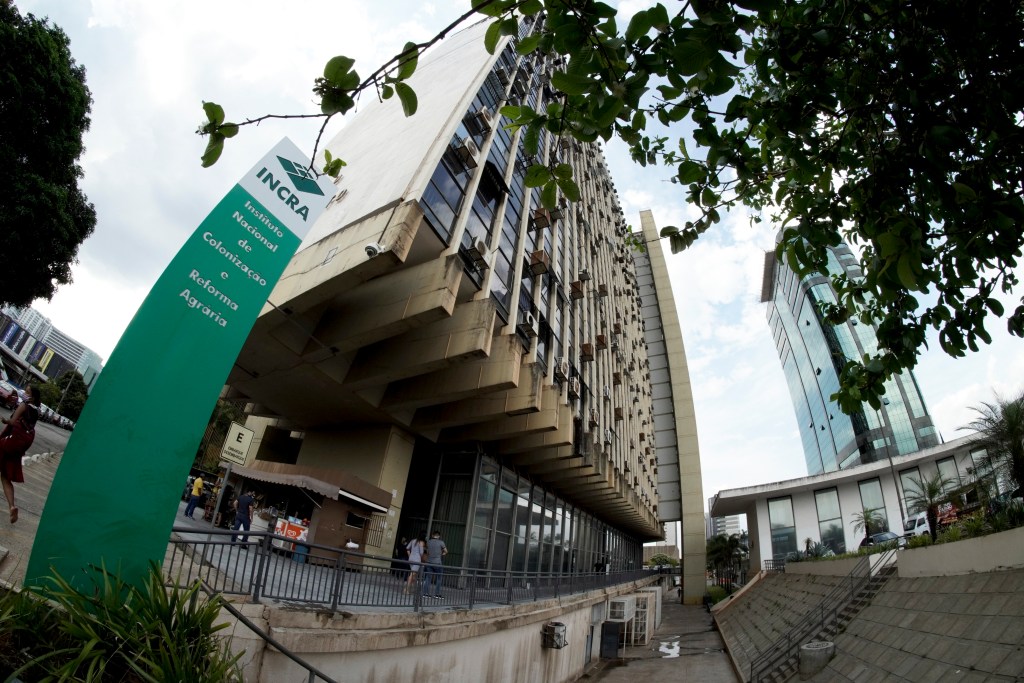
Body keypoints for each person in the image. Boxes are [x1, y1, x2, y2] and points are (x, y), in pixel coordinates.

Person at [0, 385, 40, 524]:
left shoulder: (24, 405)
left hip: (11, 442)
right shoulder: (36, 411)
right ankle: (12, 506)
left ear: (32, 397)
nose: (24, 392)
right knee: (5, 477)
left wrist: (5, 420)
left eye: (27, 392)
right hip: (18, 446)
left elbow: (12, 421)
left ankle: (12, 507)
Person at [423, 530, 448, 598]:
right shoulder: (441, 542)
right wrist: (441, 554)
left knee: (428, 578)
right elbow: (446, 551)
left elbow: (427, 552)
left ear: (432, 535)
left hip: (429, 562)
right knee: (439, 578)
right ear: (439, 536)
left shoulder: (429, 542)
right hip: (437, 563)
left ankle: (425, 593)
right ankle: (437, 594)